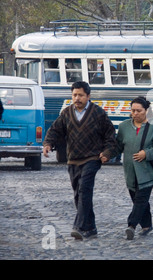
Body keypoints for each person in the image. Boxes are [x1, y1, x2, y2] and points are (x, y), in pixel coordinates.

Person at [43, 81, 116, 240]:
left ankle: (80, 227)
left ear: (88, 96)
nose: (77, 98)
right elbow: (55, 129)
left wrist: (107, 152)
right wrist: (48, 143)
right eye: (74, 95)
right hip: (73, 159)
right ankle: (91, 227)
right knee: (78, 194)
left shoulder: (98, 113)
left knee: (84, 190)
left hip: (92, 158)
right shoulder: (67, 113)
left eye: (81, 95)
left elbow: (110, 135)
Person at [115, 96, 153, 240]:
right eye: (133, 110)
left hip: (147, 171)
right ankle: (147, 225)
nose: (135, 113)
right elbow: (118, 146)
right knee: (138, 199)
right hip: (130, 171)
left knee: (141, 199)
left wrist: (146, 153)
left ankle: (131, 225)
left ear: (146, 111)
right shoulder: (124, 126)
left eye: (139, 111)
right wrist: (106, 154)